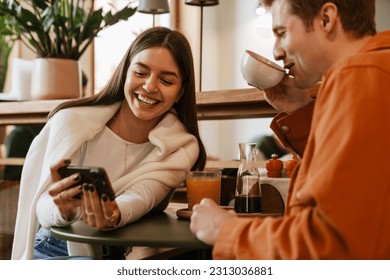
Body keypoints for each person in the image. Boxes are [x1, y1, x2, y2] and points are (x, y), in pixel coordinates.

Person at [190, 0, 390, 259]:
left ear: (326, 19)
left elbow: (333, 245)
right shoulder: (375, 72)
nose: (276, 52)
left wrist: (226, 230)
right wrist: (300, 111)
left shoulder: (358, 76)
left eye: (282, 33)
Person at [12, 26, 207, 260]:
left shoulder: (182, 146)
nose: (149, 86)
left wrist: (114, 213)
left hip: (111, 254)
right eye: (141, 73)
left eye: (166, 80)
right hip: (53, 247)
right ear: (125, 72)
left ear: (180, 92)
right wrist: (61, 209)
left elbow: (143, 196)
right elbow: (42, 205)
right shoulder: (73, 122)